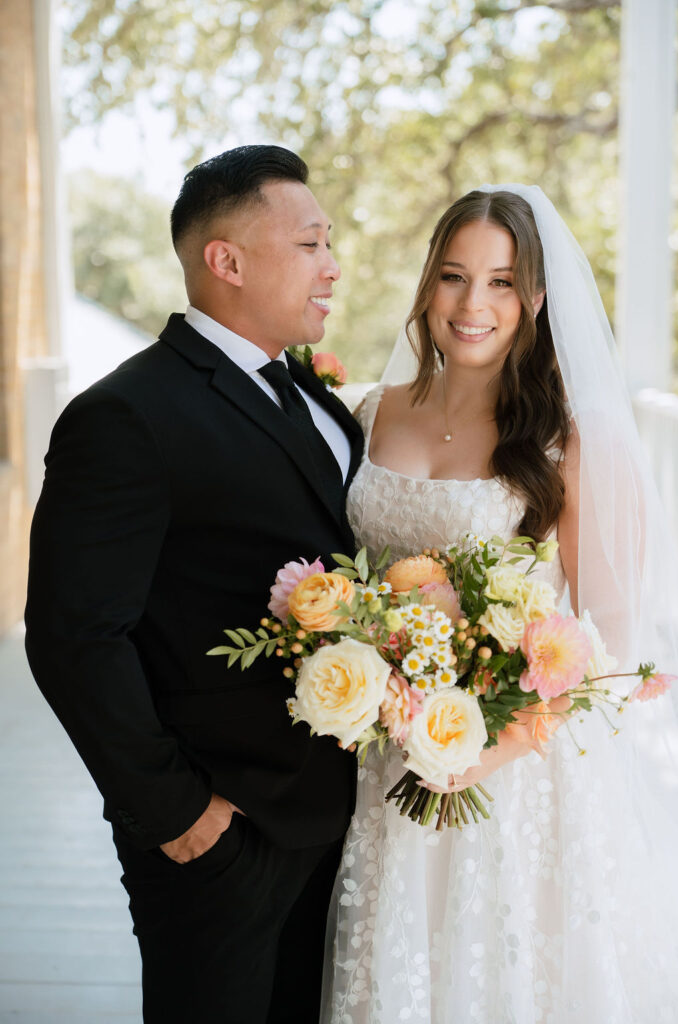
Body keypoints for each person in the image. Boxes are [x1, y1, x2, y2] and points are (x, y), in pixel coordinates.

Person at [322, 186, 678, 1022]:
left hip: (511, 776)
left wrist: (481, 753)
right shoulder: (371, 416)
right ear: (426, 286)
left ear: (536, 299)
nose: (471, 304)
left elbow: (607, 647)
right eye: (452, 277)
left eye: (500, 282)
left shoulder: (566, 437)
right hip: (387, 756)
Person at [24, 144, 365, 1023]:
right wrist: (179, 815)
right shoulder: (125, 416)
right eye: (311, 244)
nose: (333, 266)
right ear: (227, 260)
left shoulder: (312, 397)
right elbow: (74, 637)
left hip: (336, 819)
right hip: (221, 835)